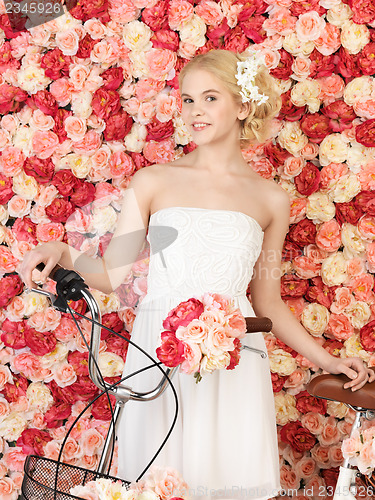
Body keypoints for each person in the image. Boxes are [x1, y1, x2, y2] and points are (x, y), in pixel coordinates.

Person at [19, 49, 375, 500]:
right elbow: (112, 274)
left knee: (225, 481)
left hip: (234, 355)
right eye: (187, 100)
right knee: (153, 483)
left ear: (243, 106)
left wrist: (327, 361)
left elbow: (266, 301)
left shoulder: (270, 199)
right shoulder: (153, 181)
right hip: (158, 353)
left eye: (210, 98)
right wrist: (63, 251)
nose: (194, 112)